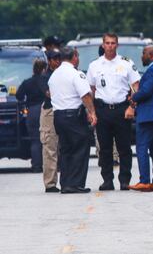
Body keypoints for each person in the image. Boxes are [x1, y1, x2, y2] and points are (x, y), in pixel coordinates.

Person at [87, 33, 141, 191]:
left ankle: (124, 180)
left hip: (121, 109)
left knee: (124, 147)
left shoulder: (126, 63)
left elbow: (136, 87)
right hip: (102, 109)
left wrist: (132, 107)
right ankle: (107, 180)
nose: (110, 46)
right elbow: (91, 90)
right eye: (107, 43)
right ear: (103, 45)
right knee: (104, 148)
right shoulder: (95, 65)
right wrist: (92, 112)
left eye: (113, 43)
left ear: (117, 45)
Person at [48, 47, 97, 194]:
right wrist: (92, 112)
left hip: (58, 116)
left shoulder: (54, 75)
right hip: (73, 116)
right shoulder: (76, 74)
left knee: (66, 150)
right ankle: (75, 184)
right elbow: (85, 96)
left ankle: (66, 183)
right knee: (80, 149)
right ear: (74, 57)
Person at [129, 45, 153, 192]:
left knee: (142, 147)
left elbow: (146, 91)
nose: (141, 56)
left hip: (148, 114)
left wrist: (134, 97)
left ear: (151, 55)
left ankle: (144, 181)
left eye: (143, 53)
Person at [16, 58, 47, 173]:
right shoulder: (47, 80)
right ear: (44, 69)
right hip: (46, 110)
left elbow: (19, 95)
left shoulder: (27, 82)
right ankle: (51, 166)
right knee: (49, 140)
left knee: (35, 140)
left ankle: (36, 166)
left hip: (32, 111)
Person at [39, 48, 62, 193]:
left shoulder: (63, 74)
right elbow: (48, 93)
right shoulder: (44, 76)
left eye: (59, 58)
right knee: (50, 147)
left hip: (62, 110)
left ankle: (67, 180)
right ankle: (50, 183)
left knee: (63, 147)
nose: (57, 61)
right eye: (54, 59)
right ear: (49, 61)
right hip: (49, 112)